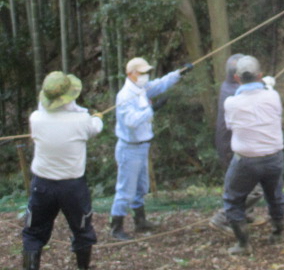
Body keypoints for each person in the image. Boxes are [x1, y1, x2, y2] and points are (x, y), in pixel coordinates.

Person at [22, 71, 104, 270]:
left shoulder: (36, 118)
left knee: (33, 234)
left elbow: (48, 112)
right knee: (82, 232)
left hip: (42, 185)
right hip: (72, 187)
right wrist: (98, 117)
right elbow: (96, 127)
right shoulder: (82, 120)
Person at [109, 57, 192, 240]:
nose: (145, 76)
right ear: (131, 74)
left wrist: (179, 74)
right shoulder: (125, 95)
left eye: (146, 73)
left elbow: (160, 84)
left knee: (141, 186)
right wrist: (152, 110)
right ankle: (116, 227)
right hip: (129, 148)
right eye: (141, 73)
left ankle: (140, 221)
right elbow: (131, 121)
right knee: (125, 189)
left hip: (142, 146)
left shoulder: (141, 89)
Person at [222, 55, 284, 255]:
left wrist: (263, 86)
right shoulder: (273, 96)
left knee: (233, 200)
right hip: (274, 157)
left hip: (246, 161)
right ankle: (277, 234)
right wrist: (267, 85)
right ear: (259, 75)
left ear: (237, 78)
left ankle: (243, 244)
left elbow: (230, 126)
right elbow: (271, 104)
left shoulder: (231, 103)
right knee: (274, 196)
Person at [211, 54, 265, 234]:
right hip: (232, 146)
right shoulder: (233, 92)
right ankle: (224, 216)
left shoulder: (234, 87)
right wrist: (265, 88)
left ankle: (245, 213)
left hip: (238, 143)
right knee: (251, 186)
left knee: (246, 183)